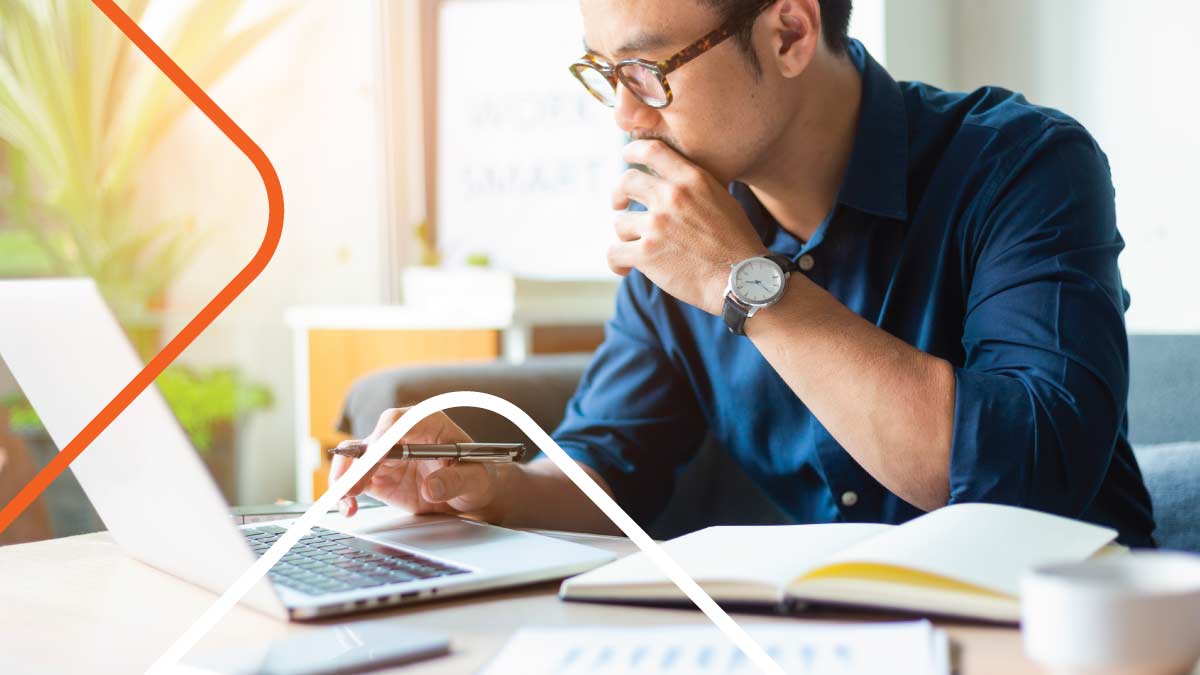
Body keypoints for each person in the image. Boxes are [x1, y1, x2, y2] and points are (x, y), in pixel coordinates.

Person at [332, 0, 1155, 546]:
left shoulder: (1024, 163)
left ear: (790, 32)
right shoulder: (686, 222)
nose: (624, 114)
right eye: (603, 73)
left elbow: (1025, 470)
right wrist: (483, 484)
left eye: (649, 70)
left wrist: (744, 279)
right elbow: (611, 464)